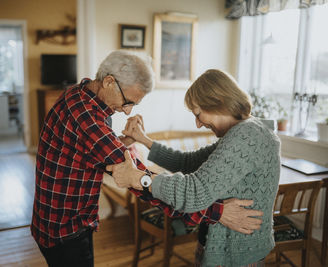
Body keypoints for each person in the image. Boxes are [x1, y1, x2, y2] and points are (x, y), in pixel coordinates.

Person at [31, 51, 263, 267]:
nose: (128, 111)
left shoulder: (78, 94)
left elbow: (87, 152)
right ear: (109, 81)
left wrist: (127, 143)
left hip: (53, 220)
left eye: (134, 104)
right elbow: (142, 183)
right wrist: (217, 213)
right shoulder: (88, 119)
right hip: (66, 229)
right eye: (128, 101)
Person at [107, 69, 281, 267]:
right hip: (227, 247)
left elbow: (194, 192)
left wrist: (140, 179)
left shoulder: (247, 136)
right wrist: (144, 140)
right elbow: (188, 162)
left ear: (217, 101)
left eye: (198, 114)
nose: (198, 124)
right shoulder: (244, 131)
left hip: (235, 254)